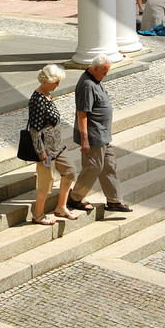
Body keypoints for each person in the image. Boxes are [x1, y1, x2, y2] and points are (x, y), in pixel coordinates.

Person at [66, 56, 132, 214]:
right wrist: (85, 140)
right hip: (94, 137)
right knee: (93, 167)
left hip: (103, 135)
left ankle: (114, 200)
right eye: (104, 71)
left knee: (109, 166)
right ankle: (75, 197)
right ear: (95, 68)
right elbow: (82, 114)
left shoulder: (96, 78)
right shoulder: (87, 85)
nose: (106, 75)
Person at [26, 64, 80, 225]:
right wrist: (41, 152)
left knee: (70, 171)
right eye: (56, 82)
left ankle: (61, 207)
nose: (58, 85)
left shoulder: (48, 95)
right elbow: (34, 130)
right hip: (46, 151)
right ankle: (38, 214)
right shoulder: (37, 100)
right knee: (46, 181)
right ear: (46, 81)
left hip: (57, 147)